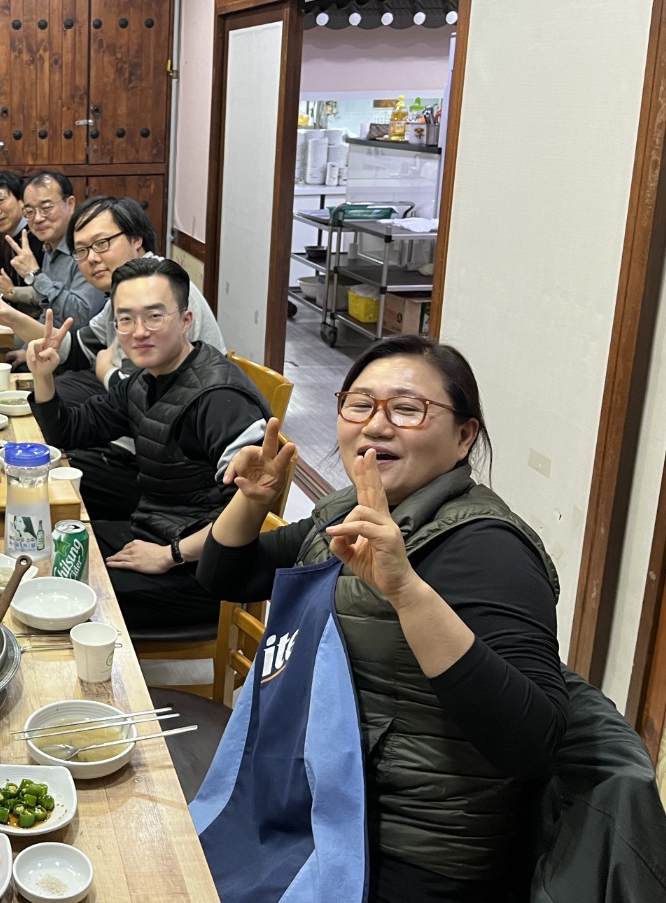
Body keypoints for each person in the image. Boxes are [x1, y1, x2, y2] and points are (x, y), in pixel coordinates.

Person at [199, 335, 568, 901]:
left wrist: (407, 592)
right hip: (314, 803)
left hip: (405, 852)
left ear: (464, 436)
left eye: (406, 408)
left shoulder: (488, 548)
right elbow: (227, 577)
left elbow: (533, 743)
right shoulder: (354, 510)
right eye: (360, 404)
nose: (375, 425)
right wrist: (253, 500)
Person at [27, 257, 269, 627]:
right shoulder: (144, 380)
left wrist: (171, 554)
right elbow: (69, 432)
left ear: (186, 320)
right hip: (152, 532)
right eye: (125, 319)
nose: (138, 332)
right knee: (41, 551)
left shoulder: (220, 399)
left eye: (154, 316)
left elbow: (250, 514)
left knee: (58, 594)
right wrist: (43, 376)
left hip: (202, 574)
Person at [0, 197, 226, 521]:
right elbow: (77, 348)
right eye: (81, 250)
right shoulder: (127, 288)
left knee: (37, 477)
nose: (92, 258)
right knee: (35, 452)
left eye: (102, 243)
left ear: (136, 239)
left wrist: (106, 372)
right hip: (135, 439)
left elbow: (145, 401)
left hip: (168, 467)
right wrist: (14, 319)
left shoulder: (159, 289)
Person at [0, 171, 104, 324]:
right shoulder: (49, 247)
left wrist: (35, 274)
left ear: (70, 204)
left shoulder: (87, 250)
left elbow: (79, 317)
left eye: (46, 208)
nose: (37, 218)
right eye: (29, 212)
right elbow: (47, 307)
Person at [0, 171, 44, 296]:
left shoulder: (39, 234)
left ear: (22, 200)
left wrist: (12, 292)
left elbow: (47, 295)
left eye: (0, 200)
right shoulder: (10, 234)